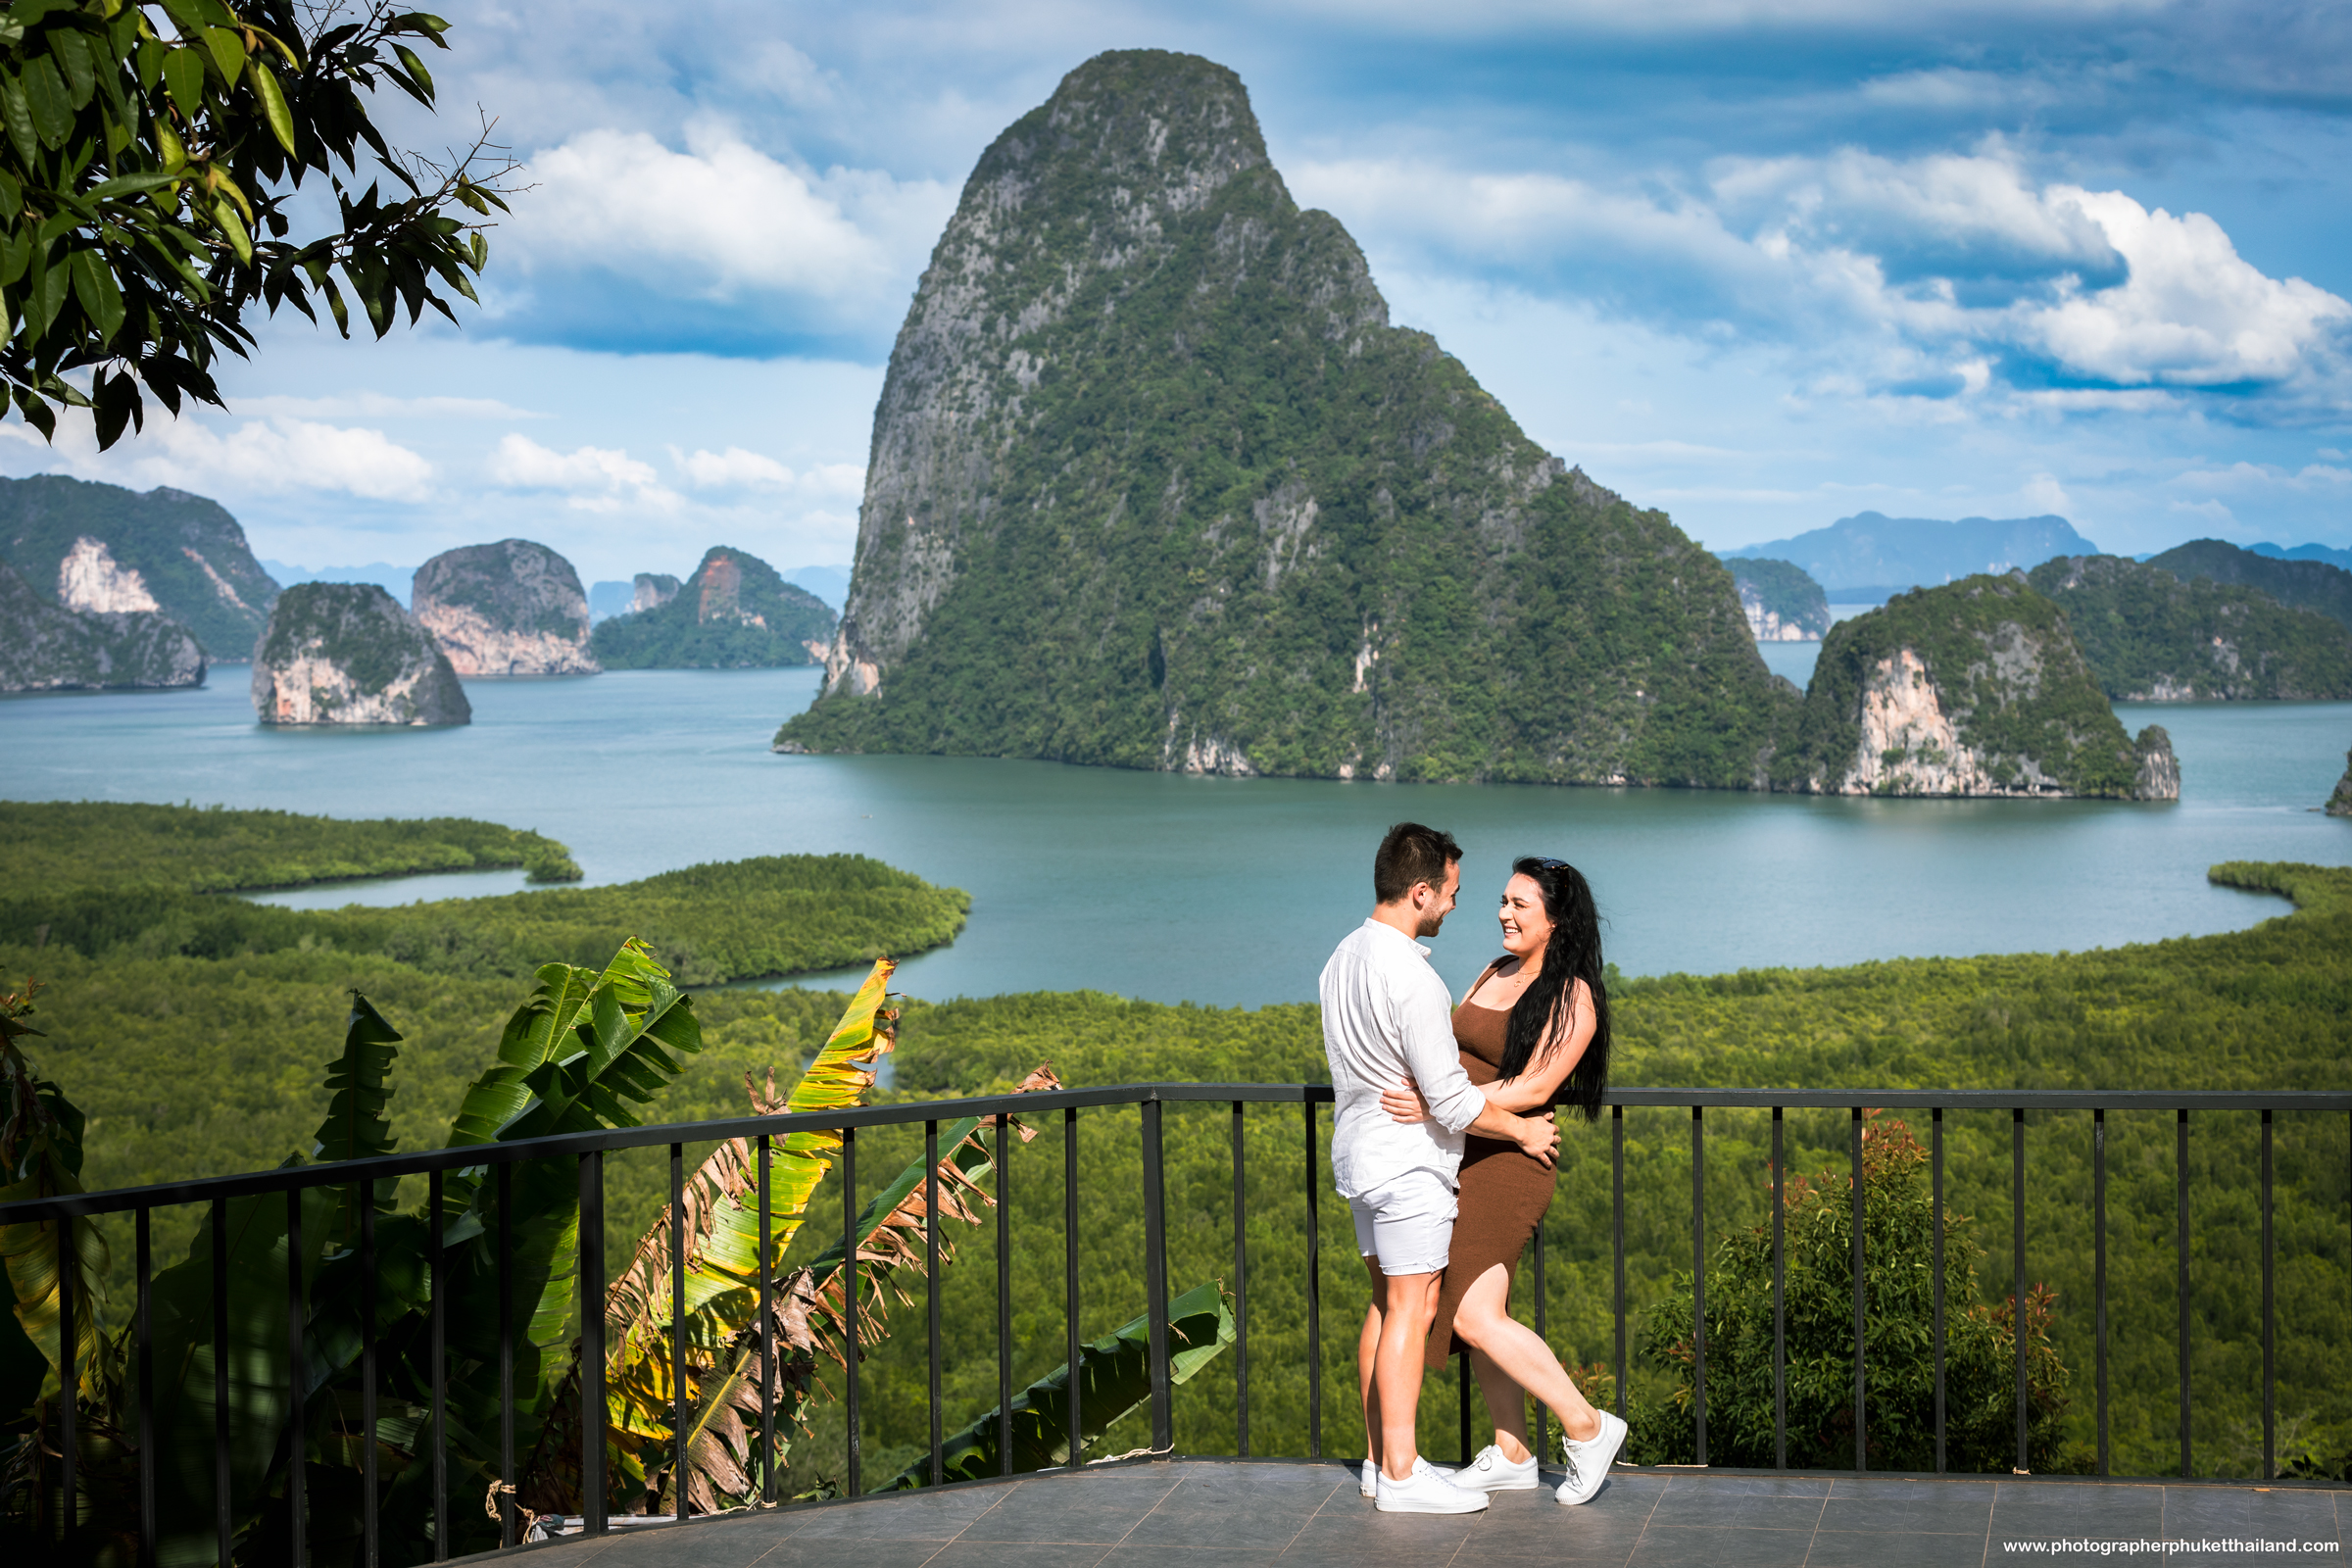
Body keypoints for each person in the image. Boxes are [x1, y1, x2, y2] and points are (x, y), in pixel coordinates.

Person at [1320, 823, 1563, 1515]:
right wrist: (1519, 1127)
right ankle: (1402, 1472)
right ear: (1420, 891)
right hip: (1408, 1165)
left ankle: (1376, 1462)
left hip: (1358, 1155)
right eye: (1451, 893)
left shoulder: (1342, 957)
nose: (1457, 906)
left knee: (1386, 1305)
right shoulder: (1415, 979)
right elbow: (1452, 1101)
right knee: (1411, 1309)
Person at [1382, 855, 1629, 1504]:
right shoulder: (1494, 970)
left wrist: (1442, 1105)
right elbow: (1446, 1048)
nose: (1503, 913)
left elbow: (1538, 1085)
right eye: (1502, 900)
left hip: (1513, 1163)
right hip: (1463, 1151)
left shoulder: (1572, 993)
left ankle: (1588, 1425)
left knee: (1470, 1312)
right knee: (1481, 1306)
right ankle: (1514, 1451)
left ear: (1557, 919)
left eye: (1521, 905)